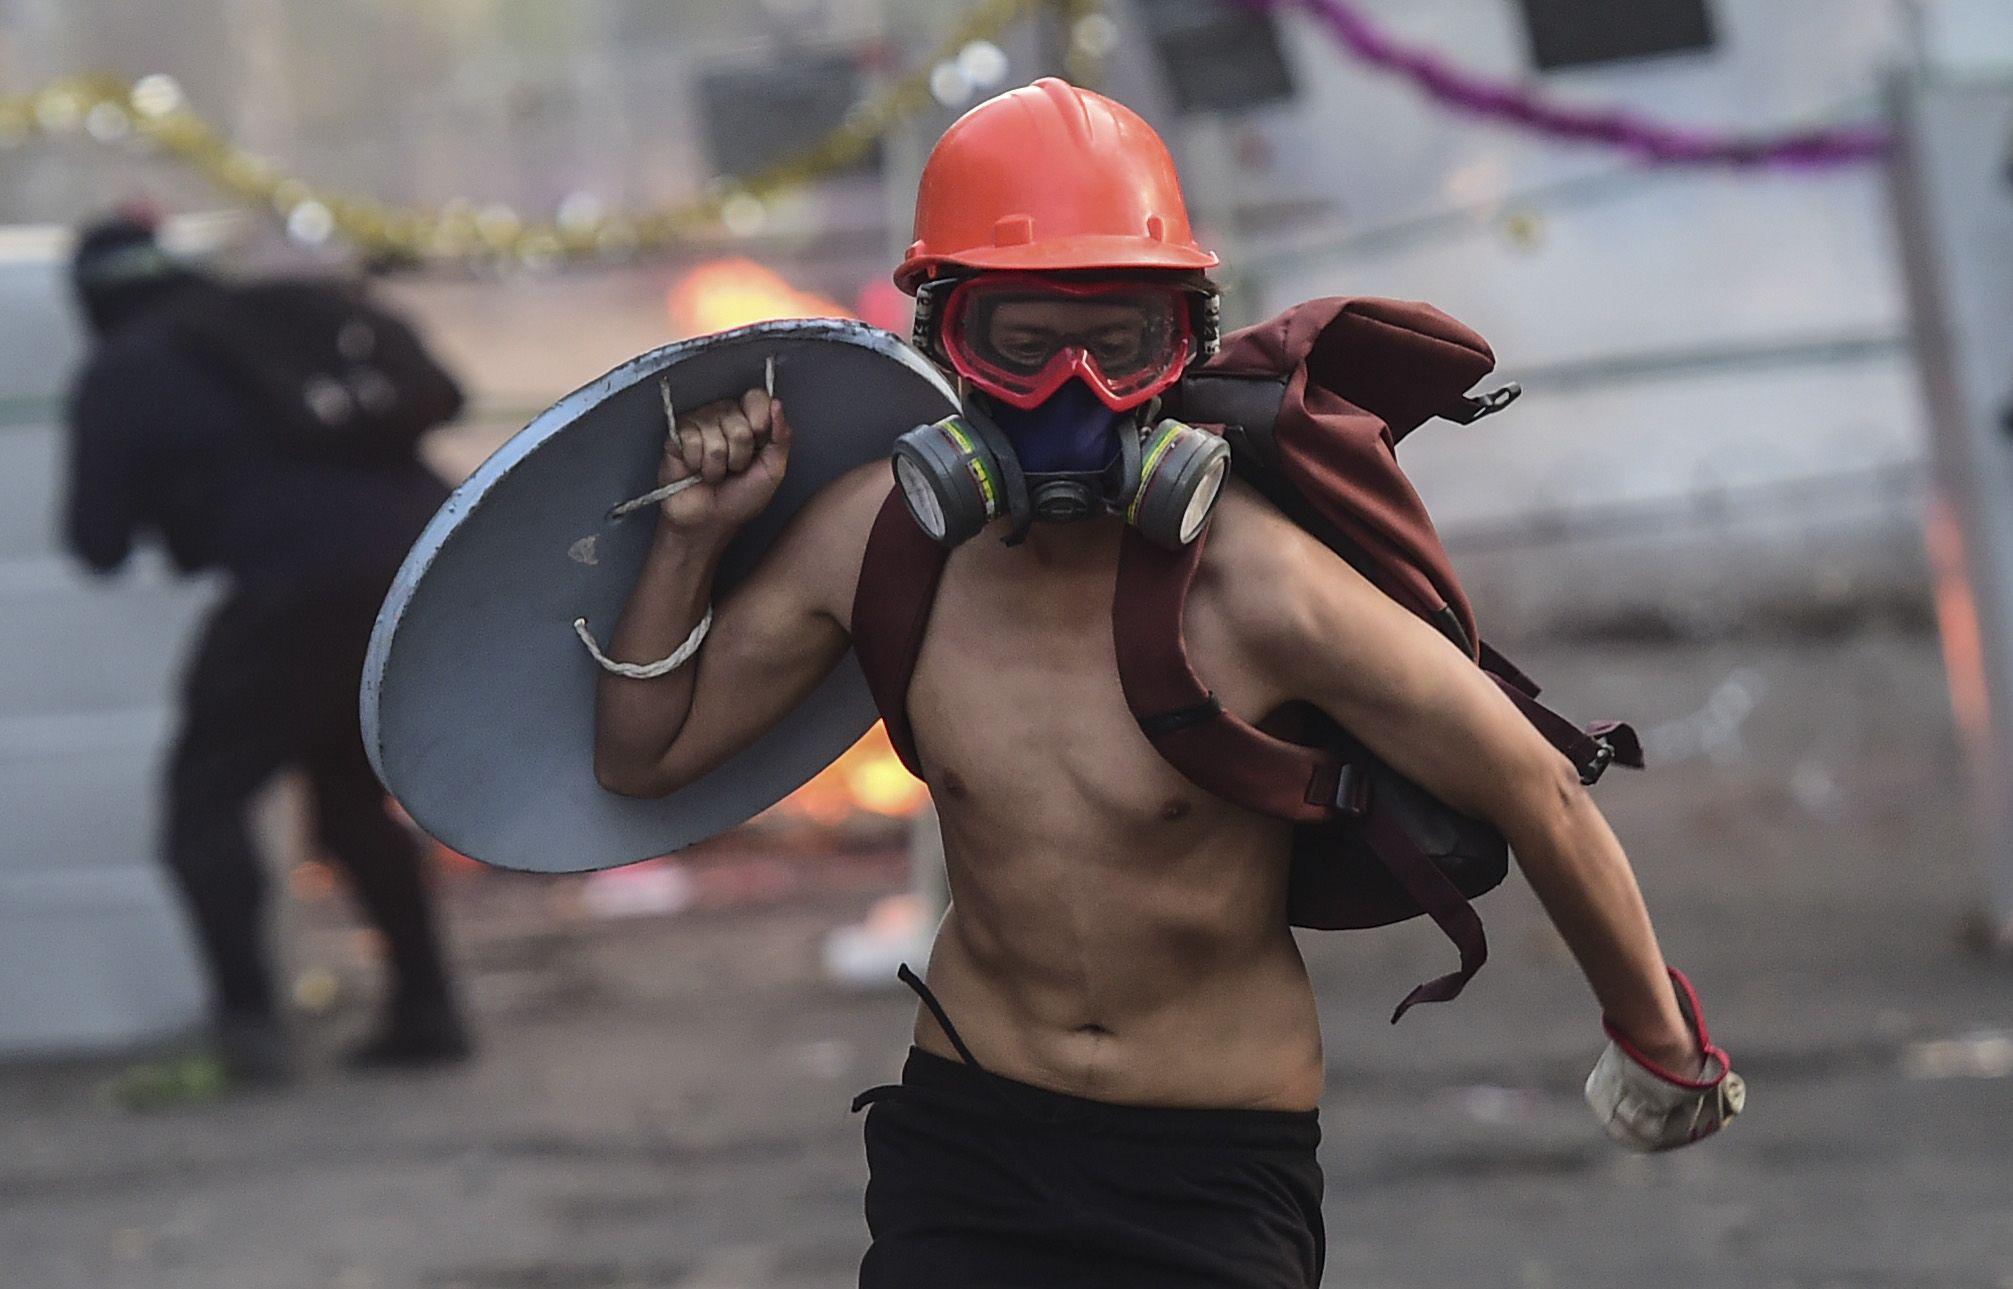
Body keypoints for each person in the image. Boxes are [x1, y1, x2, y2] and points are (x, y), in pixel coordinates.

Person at [590, 81, 1740, 1287]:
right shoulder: (873, 541)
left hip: (1212, 1161)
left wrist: (1660, 1039)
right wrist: (690, 536)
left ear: (1182, 343)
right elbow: (643, 754)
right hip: (968, 1133)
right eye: (1021, 342)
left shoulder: (1261, 586)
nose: (1072, 390)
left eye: (1120, 342)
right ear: (942, 334)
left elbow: (1535, 784)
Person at [64, 212, 471, 1081]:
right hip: (424, 569)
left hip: (296, 590)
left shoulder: (127, 366)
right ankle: (428, 1007)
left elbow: (96, 541)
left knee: (202, 807)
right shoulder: (275, 321)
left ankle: (248, 1027)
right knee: (351, 798)